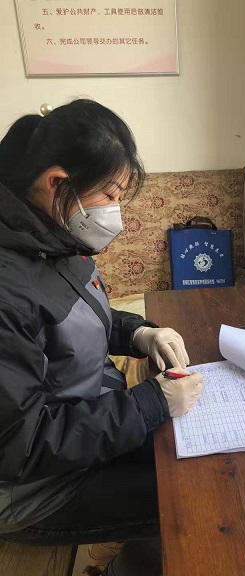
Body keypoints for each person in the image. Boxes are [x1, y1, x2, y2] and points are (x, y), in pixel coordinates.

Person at [0, 99, 203, 576]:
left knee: (191, 460)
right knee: (190, 501)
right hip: (36, 488)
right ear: (57, 183)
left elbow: (75, 321)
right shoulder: (8, 289)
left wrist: (140, 333)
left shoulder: (52, 239)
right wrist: (150, 403)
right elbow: (21, 447)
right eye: (109, 194)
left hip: (89, 422)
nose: (114, 212)